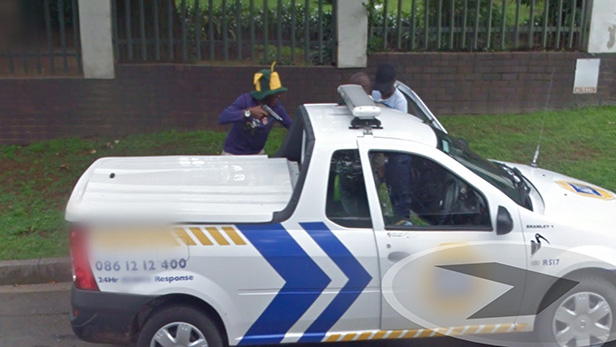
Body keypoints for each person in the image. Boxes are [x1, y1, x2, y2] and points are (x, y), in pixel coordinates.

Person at [218, 62, 292, 155]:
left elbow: (291, 125)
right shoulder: (245, 100)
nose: (279, 97)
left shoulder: (276, 107)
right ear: (265, 95)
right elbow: (222, 118)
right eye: (275, 95)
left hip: (257, 153)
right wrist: (248, 113)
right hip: (233, 153)